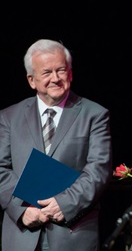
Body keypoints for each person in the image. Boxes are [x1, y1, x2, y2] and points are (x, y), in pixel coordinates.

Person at [0, 39, 112, 251]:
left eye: (61, 70)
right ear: (31, 80)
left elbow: (99, 169)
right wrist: (21, 210)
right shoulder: (8, 118)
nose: (55, 78)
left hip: (72, 232)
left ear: (70, 73)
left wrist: (65, 204)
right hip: (22, 234)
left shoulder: (95, 115)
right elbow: (0, 169)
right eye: (47, 73)